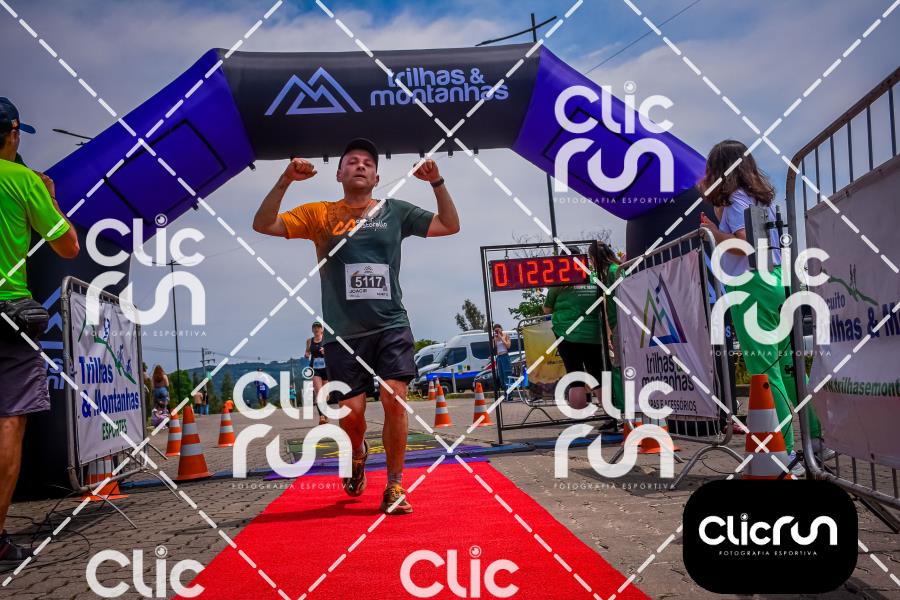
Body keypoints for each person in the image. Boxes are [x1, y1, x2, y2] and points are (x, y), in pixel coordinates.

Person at [252, 138, 460, 514]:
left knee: (394, 397)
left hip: (391, 324)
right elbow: (264, 223)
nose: (360, 165)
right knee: (352, 416)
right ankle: (358, 451)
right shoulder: (320, 214)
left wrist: (437, 182)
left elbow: (449, 225)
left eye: (367, 162)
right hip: (343, 335)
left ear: (377, 177)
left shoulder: (395, 211)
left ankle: (394, 485)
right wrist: (286, 179)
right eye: (351, 161)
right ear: (339, 174)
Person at [698, 139, 825, 470]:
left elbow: (745, 245)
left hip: (752, 286)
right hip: (777, 281)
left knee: (765, 372)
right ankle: (815, 442)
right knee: (789, 368)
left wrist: (712, 232)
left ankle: (785, 452)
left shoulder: (736, 201)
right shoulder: (757, 199)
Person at [0, 97, 80, 564]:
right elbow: (68, 247)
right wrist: (48, 199)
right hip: (9, 311)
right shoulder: (23, 180)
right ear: (13, 133)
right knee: (9, 418)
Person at [543, 242, 622, 412]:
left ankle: (578, 417)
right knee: (597, 374)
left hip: (567, 333)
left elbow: (547, 310)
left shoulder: (558, 281)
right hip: (593, 334)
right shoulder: (594, 278)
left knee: (575, 376)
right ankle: (610, 413)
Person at [305, 321, 330, 425]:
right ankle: (321, 416)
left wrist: (326, 352)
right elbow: (307, 352)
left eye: (318, 327)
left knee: (326, 395)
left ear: (321, 329)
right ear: (312, 330)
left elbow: (333, 352)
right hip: (315, 369)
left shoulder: (327, 339)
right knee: (319, 393)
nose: (316, 329)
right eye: (314, 327)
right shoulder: (309, 341)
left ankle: (325, 412)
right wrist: (306, 355)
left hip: (326, 369)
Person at [491, 324, 513, 392]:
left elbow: (508, 346)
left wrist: (501, 338)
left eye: (498, 329)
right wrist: (494, 339)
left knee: (507, 374)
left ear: (501, 329)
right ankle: (505, 392)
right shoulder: (495, 337)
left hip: (505, 356)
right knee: (501, 375)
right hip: (499, 357)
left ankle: (509, 393)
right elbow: (493, 348)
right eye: (495, 330)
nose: (497, 331)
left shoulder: (505, 335)